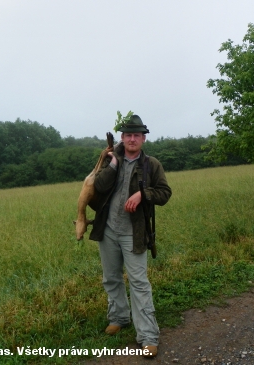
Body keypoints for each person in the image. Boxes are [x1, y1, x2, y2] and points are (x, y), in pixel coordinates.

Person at [89, 115, 172, 358]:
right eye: (128, 135)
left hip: (134, 233)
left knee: (139, 283)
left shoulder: (151, 165)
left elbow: (165, 193)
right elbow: (100, 187)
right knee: (111, 277)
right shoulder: (110, 160)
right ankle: (119, 317)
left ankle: (147, 336)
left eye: (137, 135)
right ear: (123, 138)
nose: (132, 139)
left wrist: (142, 195)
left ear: (144, 138)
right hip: (108, 229)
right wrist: (112, 163)